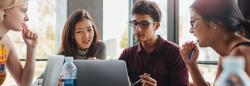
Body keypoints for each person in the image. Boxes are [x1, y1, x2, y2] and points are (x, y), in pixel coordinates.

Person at [180, 0, 250, 85]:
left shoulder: (240, 54)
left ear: (214, 22)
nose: (191, 30)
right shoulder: (225, 56)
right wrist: (191, 64)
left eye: (193, 22)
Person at [119, 1, 188, 86]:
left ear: (157, 26)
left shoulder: (175, 52)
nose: (138, 29)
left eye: (144, 24)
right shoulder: (128, 54)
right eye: (134, 23)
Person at [34, 9, 106, 85]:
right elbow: (36, 82)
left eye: (89, 29)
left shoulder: (100, 47)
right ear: (72, 35)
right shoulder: (62, 55)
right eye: (79, 32)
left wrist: (96, 65)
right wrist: (55, 82)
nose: (86, 36)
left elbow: (101, 79)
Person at [0, 0, 38, 85]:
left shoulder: (6, 42)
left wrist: (31, 48)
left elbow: (24, 83)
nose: (27, 18)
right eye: (23, 10)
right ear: (5, 11)